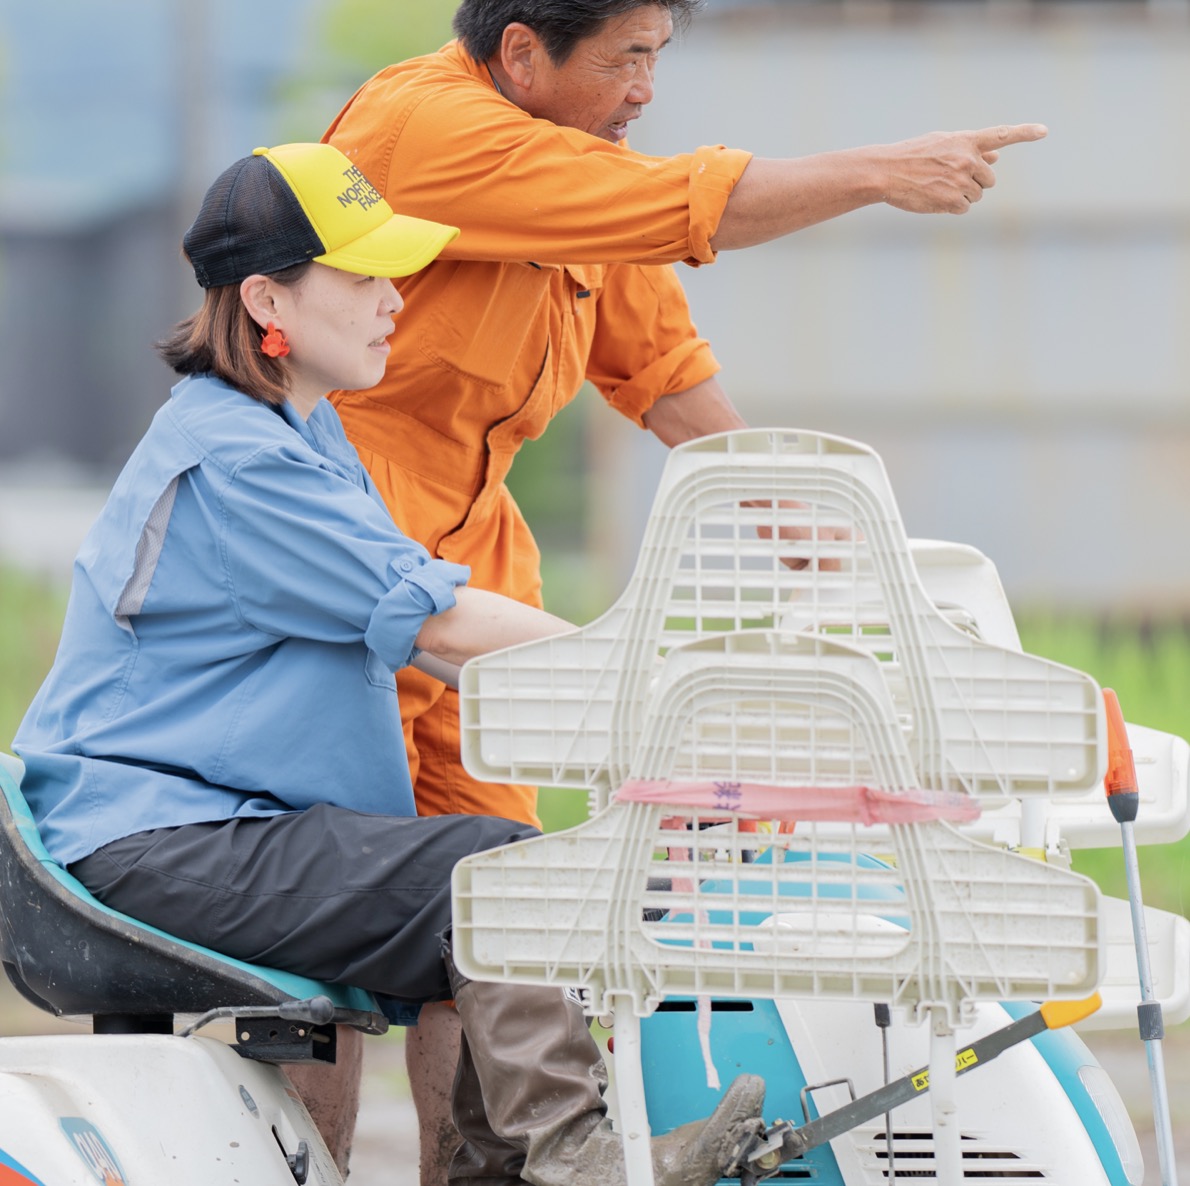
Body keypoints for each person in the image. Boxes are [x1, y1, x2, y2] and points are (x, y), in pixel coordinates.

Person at [319, 0, 1050, 1175]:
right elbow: (678, 203)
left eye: (658, 57)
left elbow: (664, 379)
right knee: (326, 936)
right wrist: (876, 171)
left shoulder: (580, 177)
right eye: (626, 58)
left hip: (474, 552)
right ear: (520, 51)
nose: (646, 88)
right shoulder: (428, 128)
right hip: (340, 555)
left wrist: (849, 563)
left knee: (506, 914)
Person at [12, 141, 766, 1186]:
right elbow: (442, 627)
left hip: (212, 822)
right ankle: (580, 1158)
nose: (393, 300)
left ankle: (498, 1171)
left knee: (520, 875)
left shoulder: (301, 438)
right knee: (494, 878)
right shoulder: (240, 461)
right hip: (156, 833)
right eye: (364, 276)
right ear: (269, 299)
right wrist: (666, 686)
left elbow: (442, 642)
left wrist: (640, 738)